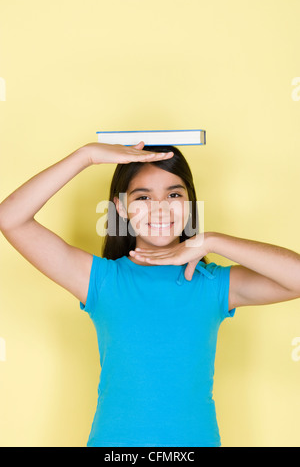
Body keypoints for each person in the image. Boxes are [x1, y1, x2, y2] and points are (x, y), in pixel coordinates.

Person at [0, 141, 300, 447]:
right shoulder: (102, 280)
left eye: (174, 194)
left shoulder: (211, 283)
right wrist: (86, 156)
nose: (160, 207)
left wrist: (212, 241)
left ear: (190, 204)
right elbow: (10, 218)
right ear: (120, 207)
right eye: (143, 196)